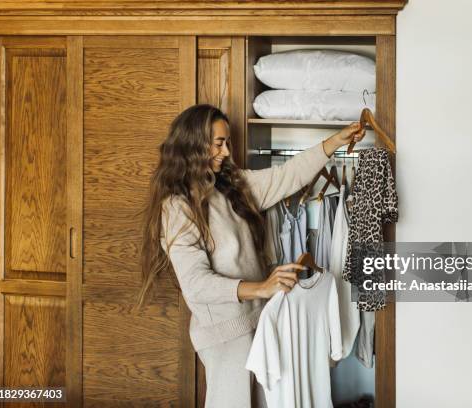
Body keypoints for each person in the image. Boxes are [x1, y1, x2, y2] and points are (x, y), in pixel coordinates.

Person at [136, 104, 365, 407]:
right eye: (219, 143)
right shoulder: (178, 208)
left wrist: (336, 141)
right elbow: (196, 283)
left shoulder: (231, 187)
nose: (227, 151)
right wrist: (261, 287)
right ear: (193, 145)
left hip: (259, 320)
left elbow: (288, 175)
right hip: (225, 335)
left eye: (227, 142)